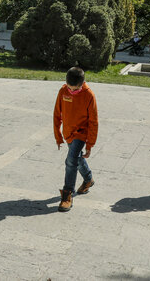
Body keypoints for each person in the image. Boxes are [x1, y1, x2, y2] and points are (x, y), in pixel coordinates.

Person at [53, 66, 99, 212]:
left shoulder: (89, 95)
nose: (71, 91)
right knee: (77, 159)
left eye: (75, 89)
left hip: (81, 133)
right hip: (68, 133)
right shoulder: (63, 91)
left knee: (71, 160)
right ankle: (88, 179)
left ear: (82, 83)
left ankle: (67, 194)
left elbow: (93, 121)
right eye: (69, 88)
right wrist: (58, 135)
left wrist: (90, 144)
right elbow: (56, 114)